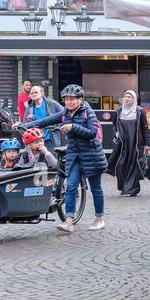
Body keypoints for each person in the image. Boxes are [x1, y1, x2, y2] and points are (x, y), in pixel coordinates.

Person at [20, 84, 106, 234]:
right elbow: (45, 121)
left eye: (72, 99)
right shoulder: (65, 112)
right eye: (66, 100)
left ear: (80, 99)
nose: (69, 102)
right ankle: (68, 221)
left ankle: (99, 219)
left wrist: (73, 127)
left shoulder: (88, 112)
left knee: (96, 188)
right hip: (74, 155)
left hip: (91, 155)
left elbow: (92, 133)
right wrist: (24, 125)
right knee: (71, 187)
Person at [108, 89, 149, 197]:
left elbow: (145, 128)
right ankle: (123, 187)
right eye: (125, 96)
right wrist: (116, 133)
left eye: (129, 97)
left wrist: (146, 144)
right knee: (121, 164)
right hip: (123, 144)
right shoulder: (119, 111)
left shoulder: (140, 111)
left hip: (136, 144)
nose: (126, 99)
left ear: (134, 98)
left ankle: (132, 189)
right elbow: (114, 125)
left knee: (133, 165)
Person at [23, 84, 63, 149]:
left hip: (51, 140)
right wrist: (28, 120)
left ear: (42, 93)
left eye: (36, 92)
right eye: (31, 93)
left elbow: (65, 114)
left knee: (51, 158)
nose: (33, 94)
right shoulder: (29, 108)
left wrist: (59, 127)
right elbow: (24, 125)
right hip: (36, 142)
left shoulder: (51, 103)